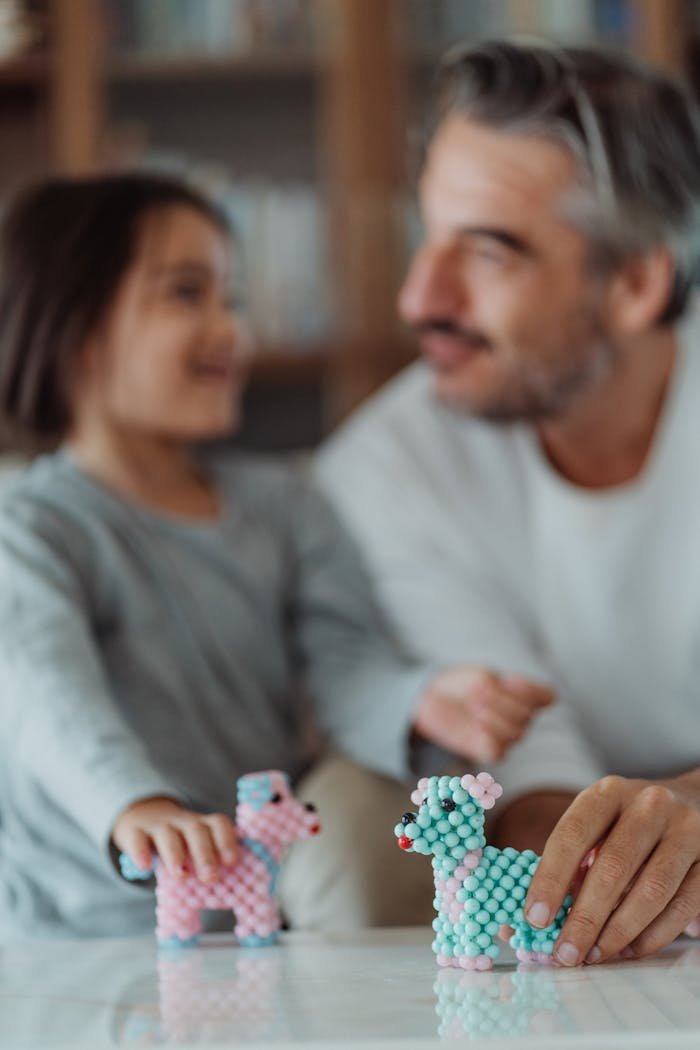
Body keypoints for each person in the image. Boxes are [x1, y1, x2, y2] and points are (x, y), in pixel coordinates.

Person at [0, 172, 553, 941]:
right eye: (187, 293)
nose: (231, 332)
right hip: (80, 921)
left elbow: (344, 663)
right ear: (78, 329)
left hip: (249, 908)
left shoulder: (284, 503)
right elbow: (45, 694)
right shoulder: (30, 527)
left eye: (232, 300)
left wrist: (416, 700)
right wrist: (134, 804)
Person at [317, 39, 700, 967]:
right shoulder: (386, 467)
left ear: (638, 283)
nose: (419, 297)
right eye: (427, 234)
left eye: (487, 252)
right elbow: (530, 779)